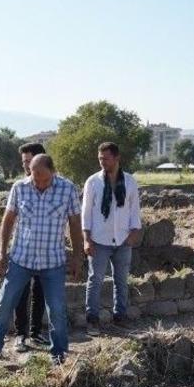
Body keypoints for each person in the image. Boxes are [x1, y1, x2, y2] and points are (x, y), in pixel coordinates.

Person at [0, 154, 84, 367]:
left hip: (53, 261)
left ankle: (58, 353)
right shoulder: (19, 188)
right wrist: (2, 252)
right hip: (21, 258)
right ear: (29, 172)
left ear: (53, 172)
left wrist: (77, 257)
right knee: (4, 304)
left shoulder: (67, 189)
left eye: (44, 178)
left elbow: (75, 224)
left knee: (57, 310)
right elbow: (7, 221)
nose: (39, 183)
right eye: (35, 177)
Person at [81, 142, 142, 334]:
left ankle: (120, 317)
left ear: (117, 158)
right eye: (100, 158)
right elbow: (86, 212)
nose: (102, 162)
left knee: (121, 280)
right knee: (95, 280)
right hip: (99, 239)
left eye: (106, 158)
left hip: (123, 239)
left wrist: (134, 233)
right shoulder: (93, 182)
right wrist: (86, 238)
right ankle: (92, 320)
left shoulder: (130, 182)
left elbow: (134, 209)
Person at [12, 142, 47, 351]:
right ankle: (20, 335)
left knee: (40, 292)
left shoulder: (57, 187)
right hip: (22, 251)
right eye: (23, 162)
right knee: (21, 293)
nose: (25, 166)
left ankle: (35, 333)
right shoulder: (19, 187)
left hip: (45, 252)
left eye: (28, 161)